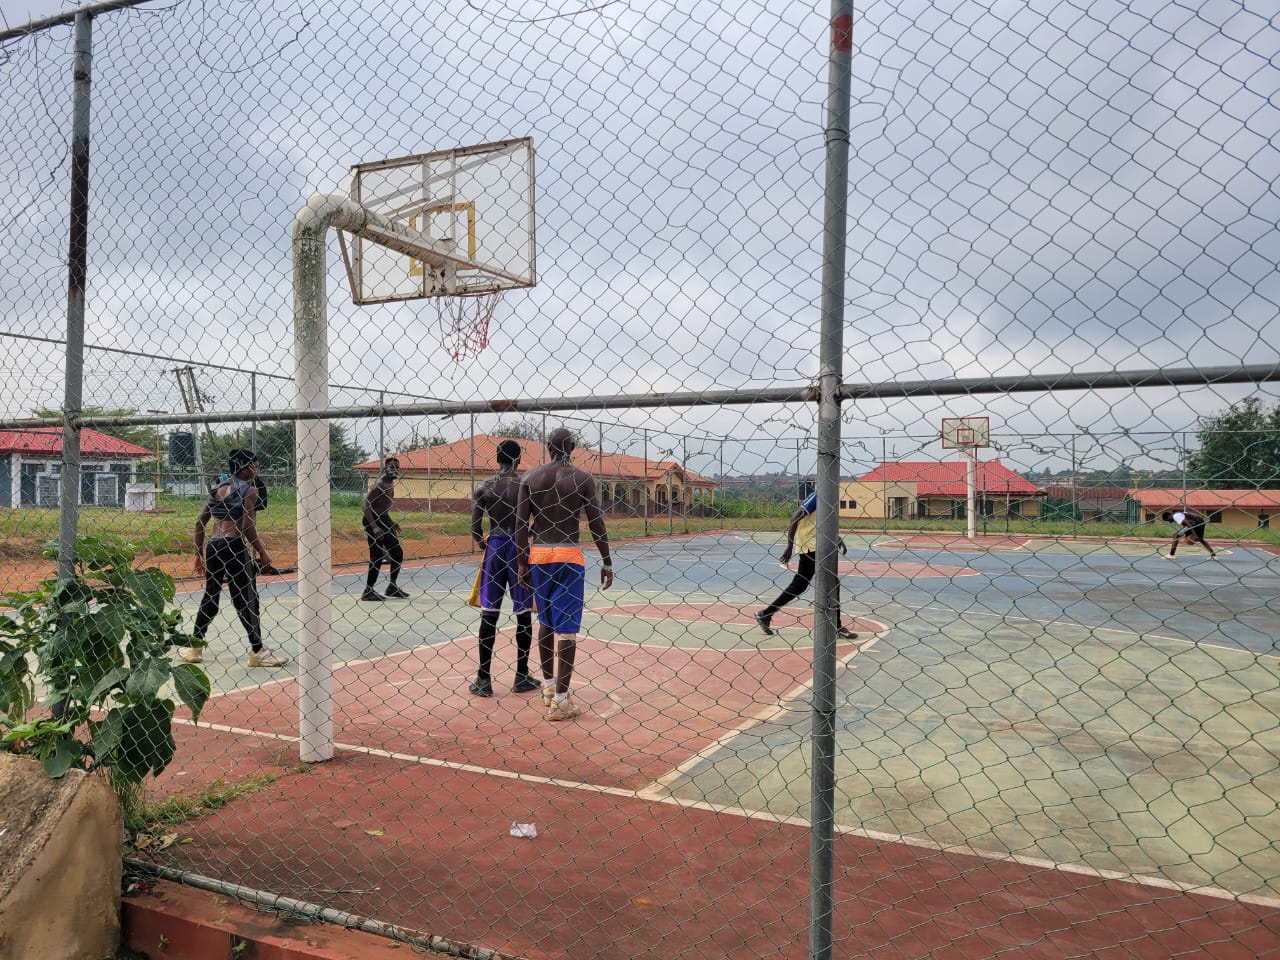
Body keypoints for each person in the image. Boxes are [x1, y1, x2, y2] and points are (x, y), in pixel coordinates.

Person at [516, 427, 613, 722]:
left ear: (548, 447)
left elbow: (520, 524)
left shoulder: (530, 477)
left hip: (539, 555)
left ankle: (548, 687)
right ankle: (561, 700)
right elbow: (596, 522)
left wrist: (522, 563)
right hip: (569, 556)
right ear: (572, 447)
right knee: (567, 629)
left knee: (545, 622)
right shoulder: (582, 478)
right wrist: (607, 560)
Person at [188, 449, 289, 667]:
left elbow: (199, 523)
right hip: (233, 546)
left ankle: (195, 647)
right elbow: (247, 526)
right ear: (244, 468)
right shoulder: (249, 490)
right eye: (255, 466)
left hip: (214, 547)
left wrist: (198, 555)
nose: (257, 469)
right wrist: (262, 552)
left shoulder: (217, 487)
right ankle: (257, 651)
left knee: (211, 596)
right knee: (246, 598)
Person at [468, 439, 539, 697]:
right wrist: (527, 534)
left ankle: (483, 678)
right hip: (520, 546)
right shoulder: (526, 485)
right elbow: (539, 519)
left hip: (495, 544)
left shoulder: (484, 486)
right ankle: (521, 675)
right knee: (523, 613)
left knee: (489, 613)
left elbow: (475, 527)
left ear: (497, 459)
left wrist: (483, 544)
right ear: (519, 459)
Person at [755, 491, 858, 639]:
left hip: (819, 547)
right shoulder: (818, 495)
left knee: (800, 585)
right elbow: (795, 517)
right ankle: (836, 626)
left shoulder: (830, 496)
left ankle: (766, 613)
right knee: (832, 584)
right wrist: (789, 546)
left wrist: (835, 537)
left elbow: (822, 523)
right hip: (811, 547)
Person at [361, 456, 410, 600]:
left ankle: (392, 586)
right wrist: (374, 527)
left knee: (397, 552)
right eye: (392, 467)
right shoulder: (379, 485)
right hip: (372, 521)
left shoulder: (390, 483)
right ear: (385, 468)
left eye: (397, 468)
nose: (395, 470)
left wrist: (391, 522)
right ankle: (368, 591)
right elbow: (366, 505)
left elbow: (382, 508)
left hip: (383, 520)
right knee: (377, 556)